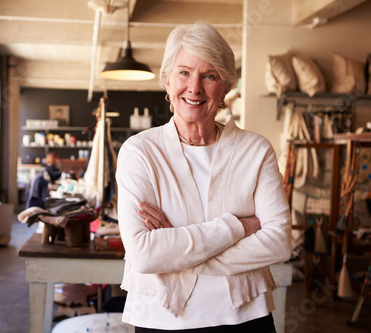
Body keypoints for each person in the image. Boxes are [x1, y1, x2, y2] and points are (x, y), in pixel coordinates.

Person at [116, 21, 292, 333]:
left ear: (225, 88)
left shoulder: (255, 150)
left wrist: (176, 253)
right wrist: (239, 226)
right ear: (168, 81)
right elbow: (143, 254)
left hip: (245, 318)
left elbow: (278, 243)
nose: (194, 87)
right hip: (159, 319)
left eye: (209, 76)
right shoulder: (139, 152)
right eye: (184, 72)